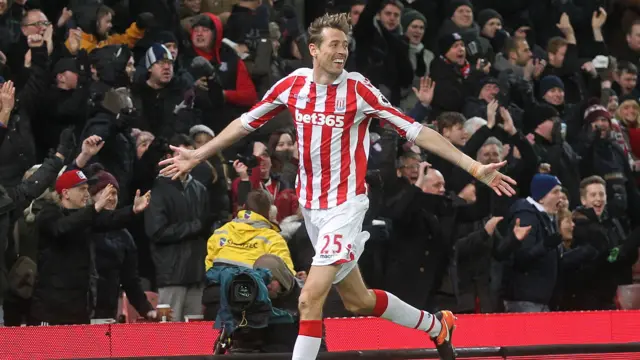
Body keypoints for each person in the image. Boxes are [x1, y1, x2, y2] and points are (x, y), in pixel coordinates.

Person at [160, 12, 516, 360]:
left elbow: (416, 130)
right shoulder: (294, 84)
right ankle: (436, 326)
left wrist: (473, 165)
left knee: (309, 297)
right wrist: (196, 156)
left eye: (345, 45)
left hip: (345, 206)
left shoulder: (358, 89)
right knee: (357, 300)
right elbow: (244, 123)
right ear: (313, 49)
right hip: (312, 207)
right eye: (333, 44)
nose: (341, 51)